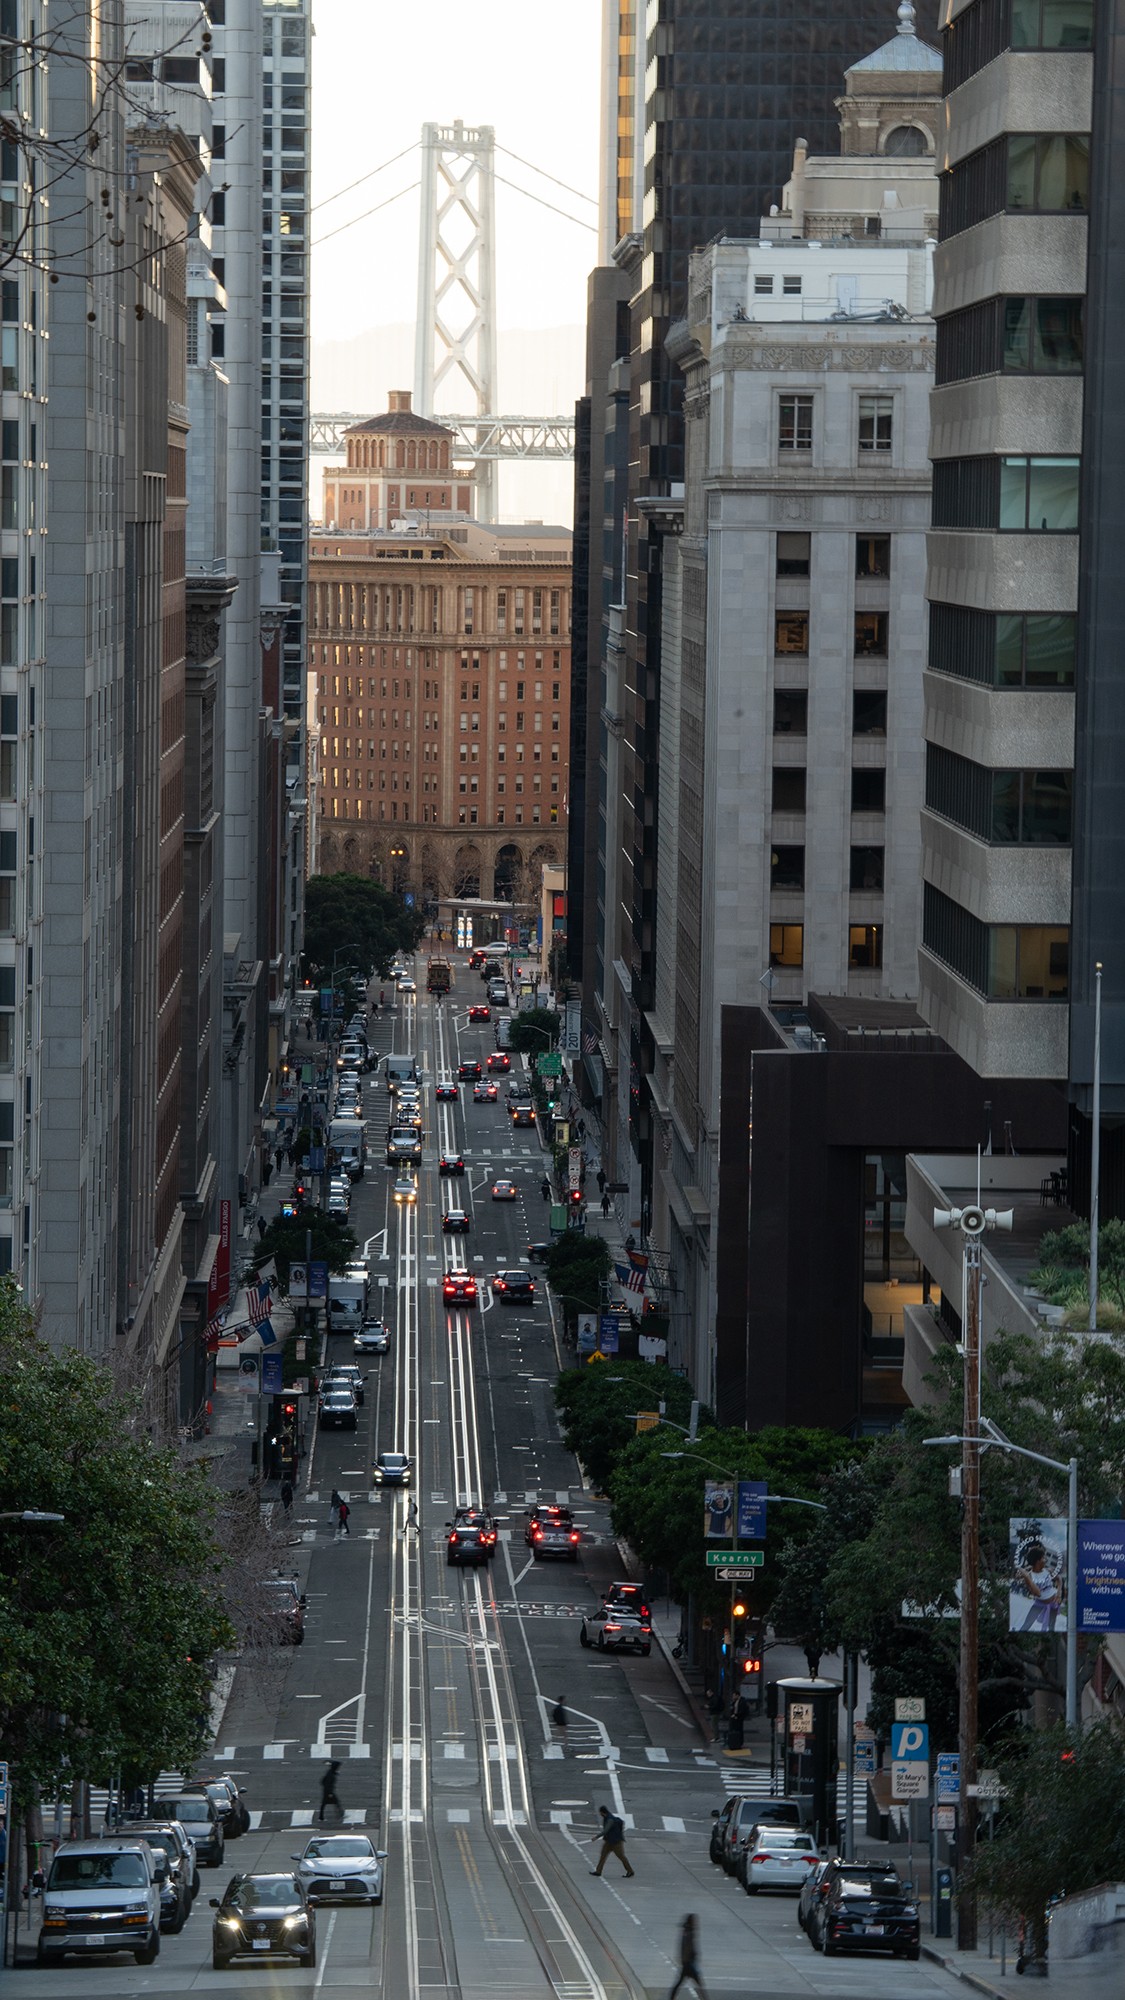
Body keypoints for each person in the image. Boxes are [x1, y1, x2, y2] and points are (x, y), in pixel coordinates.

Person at [668, 1914, 708, 1999]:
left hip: (687, 1963)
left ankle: (671, 1997)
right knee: (699, 1983)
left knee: (680, 1982)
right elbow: (688, 1947)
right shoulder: (690, 1932)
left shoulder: (687, 1931)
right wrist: (689, 1958)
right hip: (689, 1963)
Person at [590, 1804, 634, 1879]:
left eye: (600, 1812)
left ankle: (630, 1871)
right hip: (609, 1841)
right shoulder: (608, 1817)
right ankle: (598, 1871)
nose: (600, 1814)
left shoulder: (610, 1820)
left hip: (616, 1842)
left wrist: (596, 1837)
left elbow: (606, 1830)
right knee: (603, 1856)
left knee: (621, 1857)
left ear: (602, 1812)